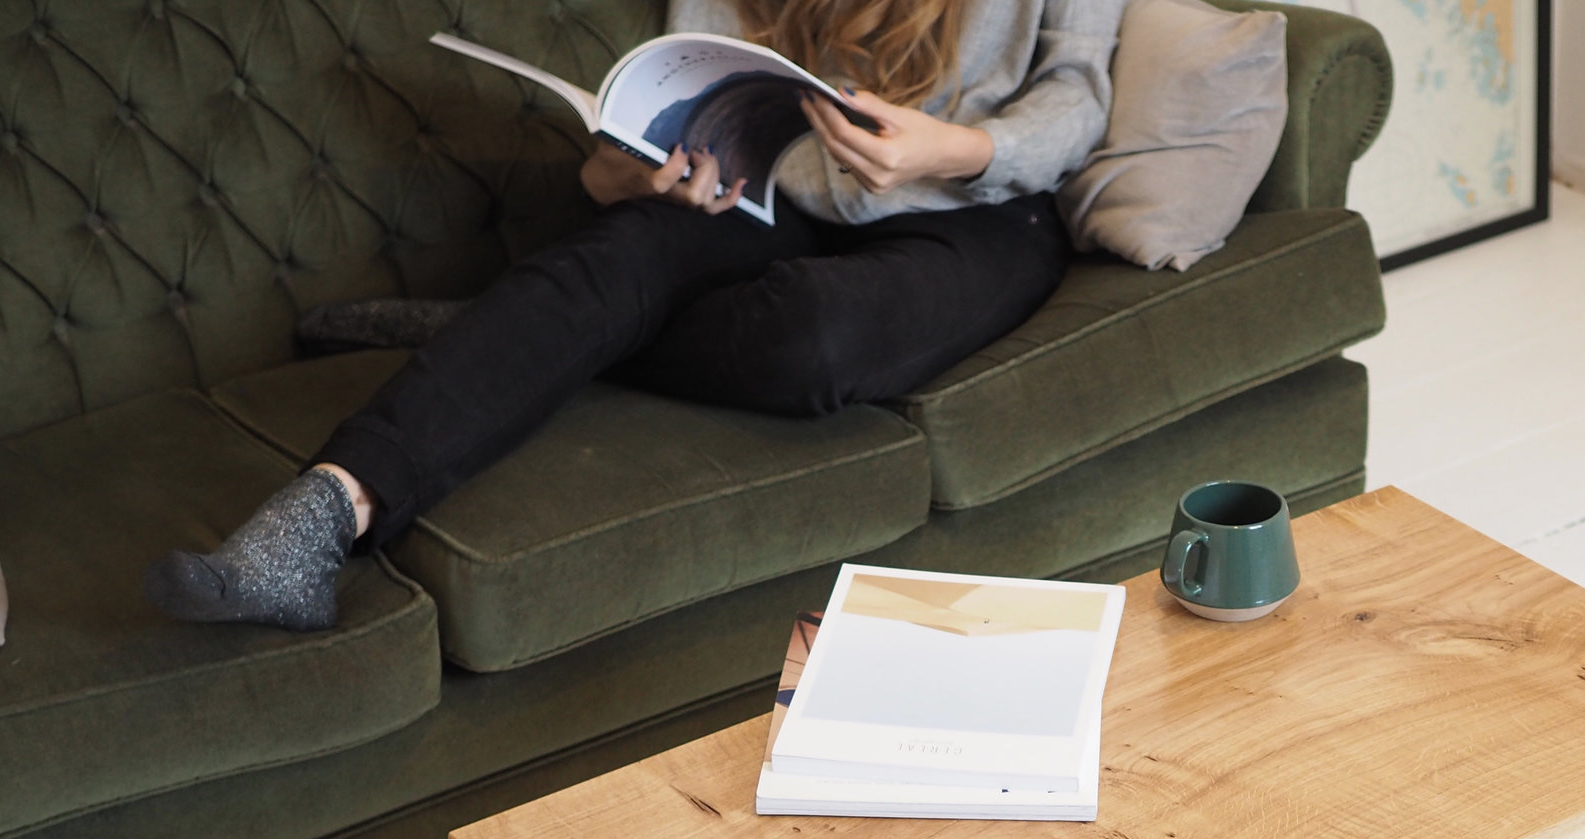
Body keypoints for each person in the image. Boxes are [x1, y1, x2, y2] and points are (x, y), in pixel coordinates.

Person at [145, 0, 1121, 633]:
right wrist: (635, 167)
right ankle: (319, 516)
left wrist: (955, 150)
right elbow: (677, 87)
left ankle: (506, 336)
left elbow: (1076, 98)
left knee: (815, 340)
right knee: (619, 253)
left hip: (975, 206)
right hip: (769, 186)